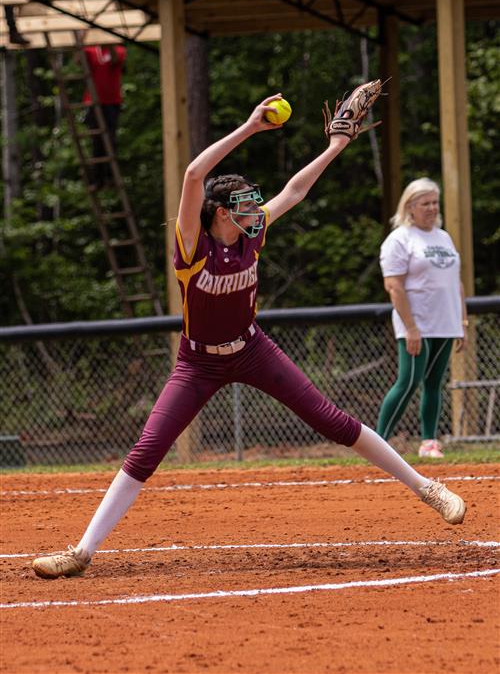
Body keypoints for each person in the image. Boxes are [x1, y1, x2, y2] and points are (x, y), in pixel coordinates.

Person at [32, 89, 466, 579]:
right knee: (147, 451)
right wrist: (251, 126)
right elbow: (194, 175)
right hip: (197, 362)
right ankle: (82, 552)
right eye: (244, 205)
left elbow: (295, 192)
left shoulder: (253, 232)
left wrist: (335, 148)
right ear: (220, 213)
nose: (256, 209)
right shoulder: (191, 247)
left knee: (333, 421)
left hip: (252, 349)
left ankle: (425, 487)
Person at [376, 177, 468, 458]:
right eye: (424, 203)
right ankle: (378, 443)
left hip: (445, 321)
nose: (431, 208)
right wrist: (411, 327)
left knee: (433, 382)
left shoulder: (443, 236)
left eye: (434, 202)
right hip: (416, 322)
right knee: (409, 381)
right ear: (410, 207)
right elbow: (394, 286)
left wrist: (462, 321)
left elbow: (457, 282)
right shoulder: (400, 238)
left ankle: (429, 442)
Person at [82, 43, 127, 189]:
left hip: (112, 102)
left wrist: (110, 42)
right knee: (96, 142)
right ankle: (97, 180)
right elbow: (78, 61)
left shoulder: (119, 50)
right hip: (94, 102)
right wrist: (82, 40)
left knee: (110, 140)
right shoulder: (90, 50)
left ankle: (110, 177)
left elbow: (115, 60)